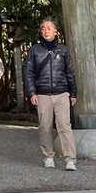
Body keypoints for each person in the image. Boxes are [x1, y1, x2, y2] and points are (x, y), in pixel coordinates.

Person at [25, 18, 77, 170]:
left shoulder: (63, 50)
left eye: (49, 28)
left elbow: (70, 73)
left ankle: (70, 159)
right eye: (43, 28)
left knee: (64, 126)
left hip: (62, 93)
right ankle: (48, 156)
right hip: (42, 94)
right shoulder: (35, 50)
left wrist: (73, 93)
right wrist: (32, 92)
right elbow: (29, 72)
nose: (46, 31)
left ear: (55, 31)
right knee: (45, 126)